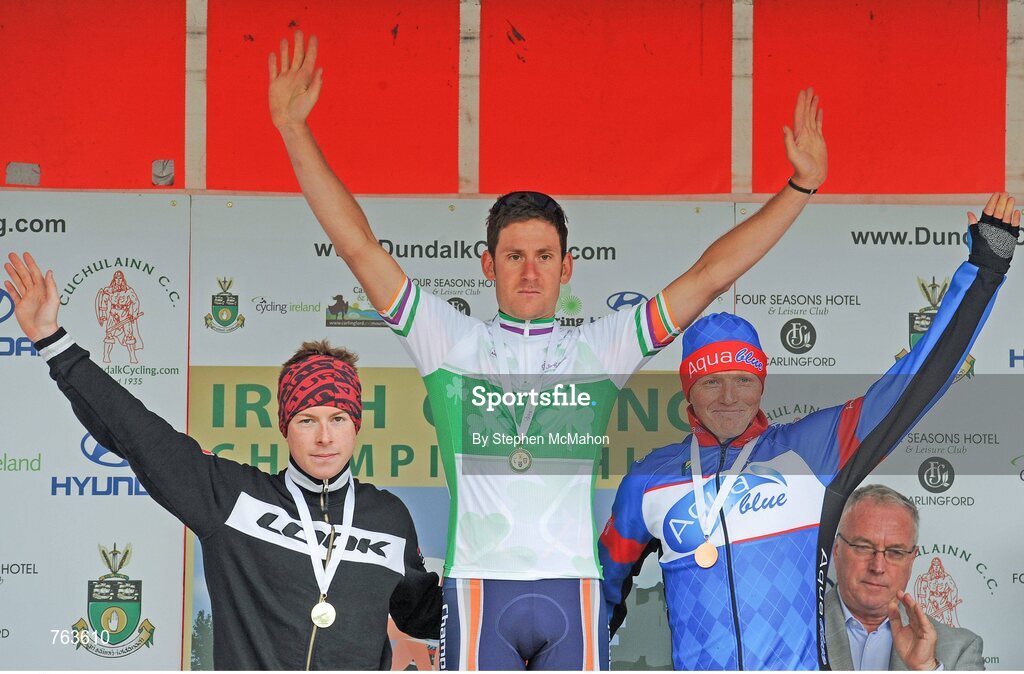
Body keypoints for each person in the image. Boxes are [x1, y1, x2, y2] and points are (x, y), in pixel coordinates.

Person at [269, 30, 827, 670]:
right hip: (478, 585)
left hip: (574, 588)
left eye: (543, 257)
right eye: (513, 257)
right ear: (487, 265)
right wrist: (293, 130)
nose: (528, 272)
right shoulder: (451, 342)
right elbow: (360, 247)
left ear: (567, 269)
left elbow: (707, 276)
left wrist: (800, 188)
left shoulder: (602, 346)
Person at [599, 193, 1018, 670]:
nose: (729, 397)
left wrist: (985, 266)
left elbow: (913, 386)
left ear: (762, 384)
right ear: (688, 392)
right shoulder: (648, 480)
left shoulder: (812, 451)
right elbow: (599, 596)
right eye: (711, 382)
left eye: (744, 380)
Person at [2, 252, 441, 670]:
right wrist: (52, 341)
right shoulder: (232, 498)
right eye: (307, 419)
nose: (325, 437)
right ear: (285, 426)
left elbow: (423, 616)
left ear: (357, 424)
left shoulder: (389, 518)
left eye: (338, 418)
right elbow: (135, 433)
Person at [825, 484, 984, 671]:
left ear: (911, 560)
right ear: (836, 550)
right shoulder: (790, 631)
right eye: (864, 547)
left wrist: (925, 668)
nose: (878, 567)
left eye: (895, 552)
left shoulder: (960, 649)